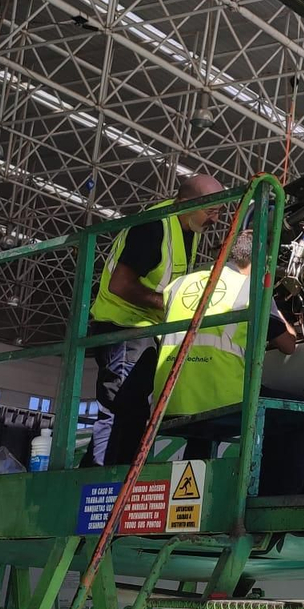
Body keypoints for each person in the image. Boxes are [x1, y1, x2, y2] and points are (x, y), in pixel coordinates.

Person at [154, 232, 304, 494]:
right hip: (221, 399)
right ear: (261, 261)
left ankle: (193, 501)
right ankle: (275, 502)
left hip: (170, 401)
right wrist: (274, 305)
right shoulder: (249, 289)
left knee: (202, 435)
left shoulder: (179, 285)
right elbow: (288, 344)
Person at [88, 174, 223, 467]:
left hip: (147, 329)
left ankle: (110, 477)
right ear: (185, 203)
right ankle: (100, 484)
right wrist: (169, 305)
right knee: (121, 410)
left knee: (134, 413)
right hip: (124, 328)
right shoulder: (155, 225)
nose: (216, 218)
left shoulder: (190, 228)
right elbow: (120, 285)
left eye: (219, 210)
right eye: (210, 210)